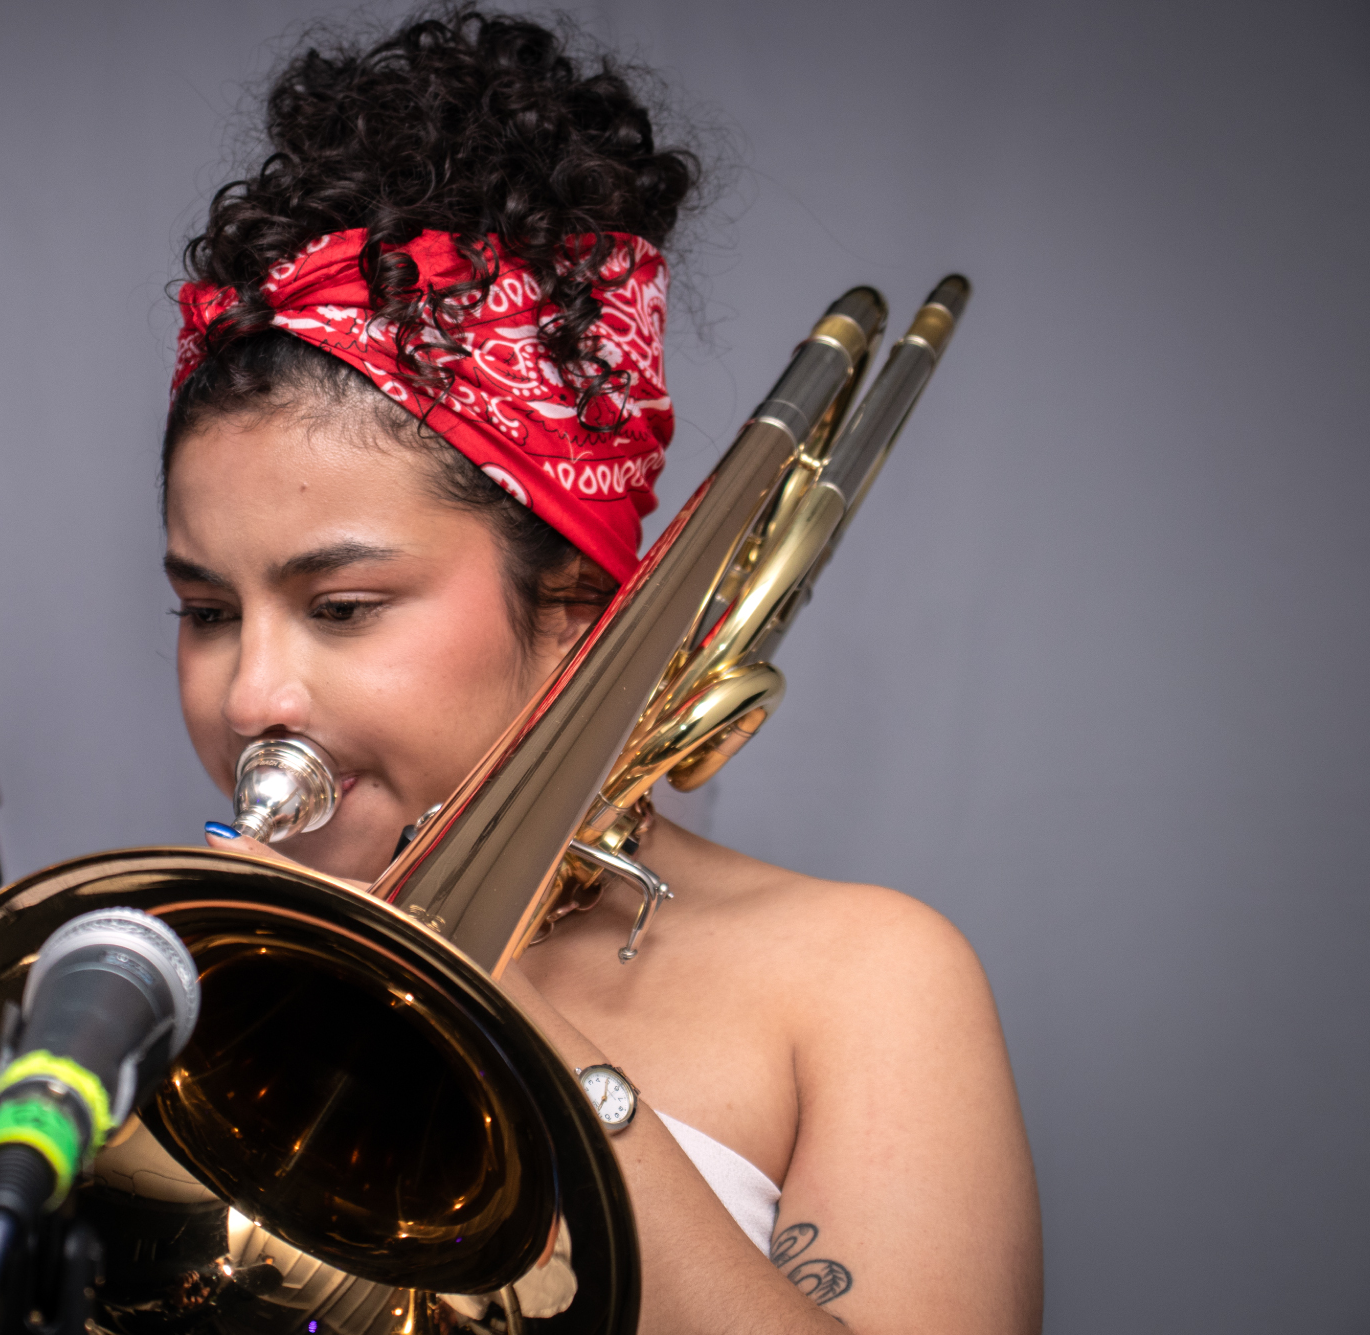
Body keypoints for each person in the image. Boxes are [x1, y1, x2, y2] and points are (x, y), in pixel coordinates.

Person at [166, 7, 1042, 1333]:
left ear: (574, 608)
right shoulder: (164, 979)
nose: (249, 698)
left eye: (342, 608)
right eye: (205, 610)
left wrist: (482, 999)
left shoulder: (869, 978)